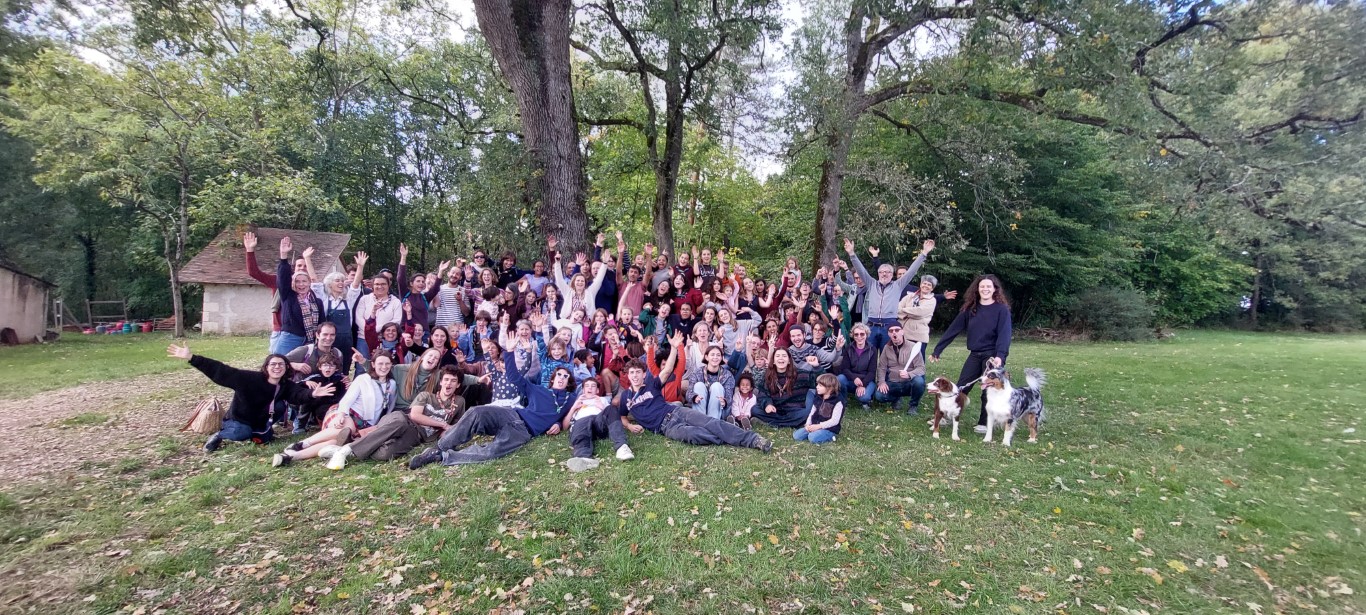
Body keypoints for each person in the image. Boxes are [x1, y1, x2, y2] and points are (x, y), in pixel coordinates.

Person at [408, 342, 576, 468]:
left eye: (566, 376)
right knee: (476, 412)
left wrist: (558, 423)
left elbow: (566, 416)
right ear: (553, 378)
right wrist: (509, 352)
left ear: (569, 381)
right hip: (512, 414)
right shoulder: (538, 390)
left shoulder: (570, 399)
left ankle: (443, 457)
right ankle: (438, 448)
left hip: (524, 431)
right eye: (559, 374)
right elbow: (514, 377)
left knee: (492, 451)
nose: (562, 378)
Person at [618, 332, 772, 452]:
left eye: (638, 372)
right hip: (666, 428)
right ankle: (727, 437)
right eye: (632, 373)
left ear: (644, 374)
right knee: (695, 435)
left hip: (676, 411)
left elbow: (668, 369)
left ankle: (753, 440)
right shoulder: (626, 397)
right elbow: (622, 417)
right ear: (628, 375)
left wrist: (674, 348)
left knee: (710, 423)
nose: (635, 376)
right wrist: (630, 426)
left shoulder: (652, 384)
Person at [168, 343, 336, 452]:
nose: (277, 367)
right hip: (240, 419)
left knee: (275, 416)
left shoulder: (285, 384)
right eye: (273, 364)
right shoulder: (249, 379)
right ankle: (220, 435)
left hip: (261, 420)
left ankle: (263, 430)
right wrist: (192, 358)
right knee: (243, 433)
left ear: (286, 368)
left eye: (281, 364)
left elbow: (297, 395)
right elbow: (221, 371)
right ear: (266, 367)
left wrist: (313, 394)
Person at [323, 365, 472, 470]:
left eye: (453, 381)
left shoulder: (459, 402)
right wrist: (443, 425)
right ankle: (345, 451)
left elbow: (455, 426)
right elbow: (415, 415)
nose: (449, 383)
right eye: (446, 379)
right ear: (441, 382)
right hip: (403, 419)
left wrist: (447, 433)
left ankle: (345, 446)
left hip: (417, 435)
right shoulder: (426, 396)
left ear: (458, 384)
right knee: (400, 424)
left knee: (385, 454)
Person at [931, 274, 1012, 434]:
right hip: (975, 354)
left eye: (988, 286)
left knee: (988, 389)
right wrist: (938, 349)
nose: (985, 289)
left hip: (992, 356)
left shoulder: (1001, 310)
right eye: (982, 286)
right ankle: (945, 416)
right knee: (960, 387)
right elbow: (953, 329)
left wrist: (1000, 356)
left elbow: (1005, 334)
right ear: (977, 289)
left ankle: (984, 423)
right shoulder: (970, 308)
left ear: (995, 289)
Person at [844, 237, 935, 351]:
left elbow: (912, 271)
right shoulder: (871, 284)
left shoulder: (898, 285)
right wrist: (851, 254)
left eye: (887, 272)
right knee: (868, 354)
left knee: (888, 356)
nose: (884, 274)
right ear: (878, 274)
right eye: (881, 272)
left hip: (889, 327)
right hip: (871, 326)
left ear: (892, 275)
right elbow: (860, 270)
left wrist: (924, 253)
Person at [561, 378, 634, 472]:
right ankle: (584, 458)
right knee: (581, 421)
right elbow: (565, 426)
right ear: (583, 390)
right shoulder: (577, 402)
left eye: (593, 386)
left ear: (597, 390)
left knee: (612, 408)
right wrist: (574, 408)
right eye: (587, 386)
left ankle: (622, 448)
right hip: (582, 427)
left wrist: (602, 407)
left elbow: (612, 416)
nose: (590, 388)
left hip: (599, 424)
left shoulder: (602, 400)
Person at [275, 236, 324, 356]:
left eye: (304, 281)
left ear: (309, 283)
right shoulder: (288, 295)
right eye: (297, 281)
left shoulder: (316, 300)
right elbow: (283, 277)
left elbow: (321, 323)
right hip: (290, 338)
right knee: (281, 363)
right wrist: (283, 256)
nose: (301, 284)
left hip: (310, 340)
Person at [898, 274, 958, 360]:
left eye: (929, 285)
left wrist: (904, 311)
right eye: (924, 283)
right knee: (901, 360)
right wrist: (909, 312)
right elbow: (897, 309)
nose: (926, 286)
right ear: (920, 284)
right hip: (903, 334)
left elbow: (920, 312)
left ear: (932, 288)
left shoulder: (932, 300)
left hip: (919, 336)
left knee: (917, 362)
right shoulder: (909, 296)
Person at [753, 347, 815, 428]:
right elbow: (762, 394)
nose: (781, 358)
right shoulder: (768, 375)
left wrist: (816, 367)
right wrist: (768, 404)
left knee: (807, 412)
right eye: (778, 356)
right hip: (775, 410)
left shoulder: (802, 374)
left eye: (784, 356)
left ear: (789, 360)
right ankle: (792, 424)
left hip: (795, 411)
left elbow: (820, 382)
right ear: (773, 361)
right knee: (755, 410)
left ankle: (774, 423)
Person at [875, 323, 926, 413]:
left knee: (919, 382)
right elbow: (882, 367)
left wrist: (909, 374)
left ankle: (913, 406)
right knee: (879, 395)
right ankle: (896, 398)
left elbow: (921, 368)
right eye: (891, 331)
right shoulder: (887, 348)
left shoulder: (912, 346)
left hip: (909, 383)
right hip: (893, 383)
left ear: (902, 332)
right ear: (889, 334)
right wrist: (881, 382)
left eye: (897, 330)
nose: (894, 333)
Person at [831, 323, 877, 410]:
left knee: (864, 397)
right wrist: (854, 378)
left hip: (866, 380)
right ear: (853, 336)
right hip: (852, 379)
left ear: (866, 335)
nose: (859, 337)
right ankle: (843, 402)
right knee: (839, 378)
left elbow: (872, 372)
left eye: (862, 334)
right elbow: (845, 369)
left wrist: (863, 384)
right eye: (856, 334)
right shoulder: (849, 348)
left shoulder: (872, 349)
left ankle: (865, 401)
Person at [682, 345, 735, 420]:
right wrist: (694, 397)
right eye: (712, 355)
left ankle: (713, 422)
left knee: (717, 386)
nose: (715, 357)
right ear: (706, 357)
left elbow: (729, 397)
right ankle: (699, 420)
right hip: (701, 405)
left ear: (721, 358)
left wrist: (724, 401)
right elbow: (689, 393)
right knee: (699, 385)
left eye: (718, 355)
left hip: (718, 408)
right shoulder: (697, 372)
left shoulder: (727, 375)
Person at [795, 373, 844, 445]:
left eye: (820, 386)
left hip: (829, 429)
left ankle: (831, 436)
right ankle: (816, 433)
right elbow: (812, 412)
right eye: (817, 384)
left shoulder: (837, 401)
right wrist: (808, 424)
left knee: (812, 438)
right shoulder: (818, 397)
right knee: (797, 436)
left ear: (830, 388)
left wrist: (819, 426)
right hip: (814, 425)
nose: (817, 387)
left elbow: (834, 421)